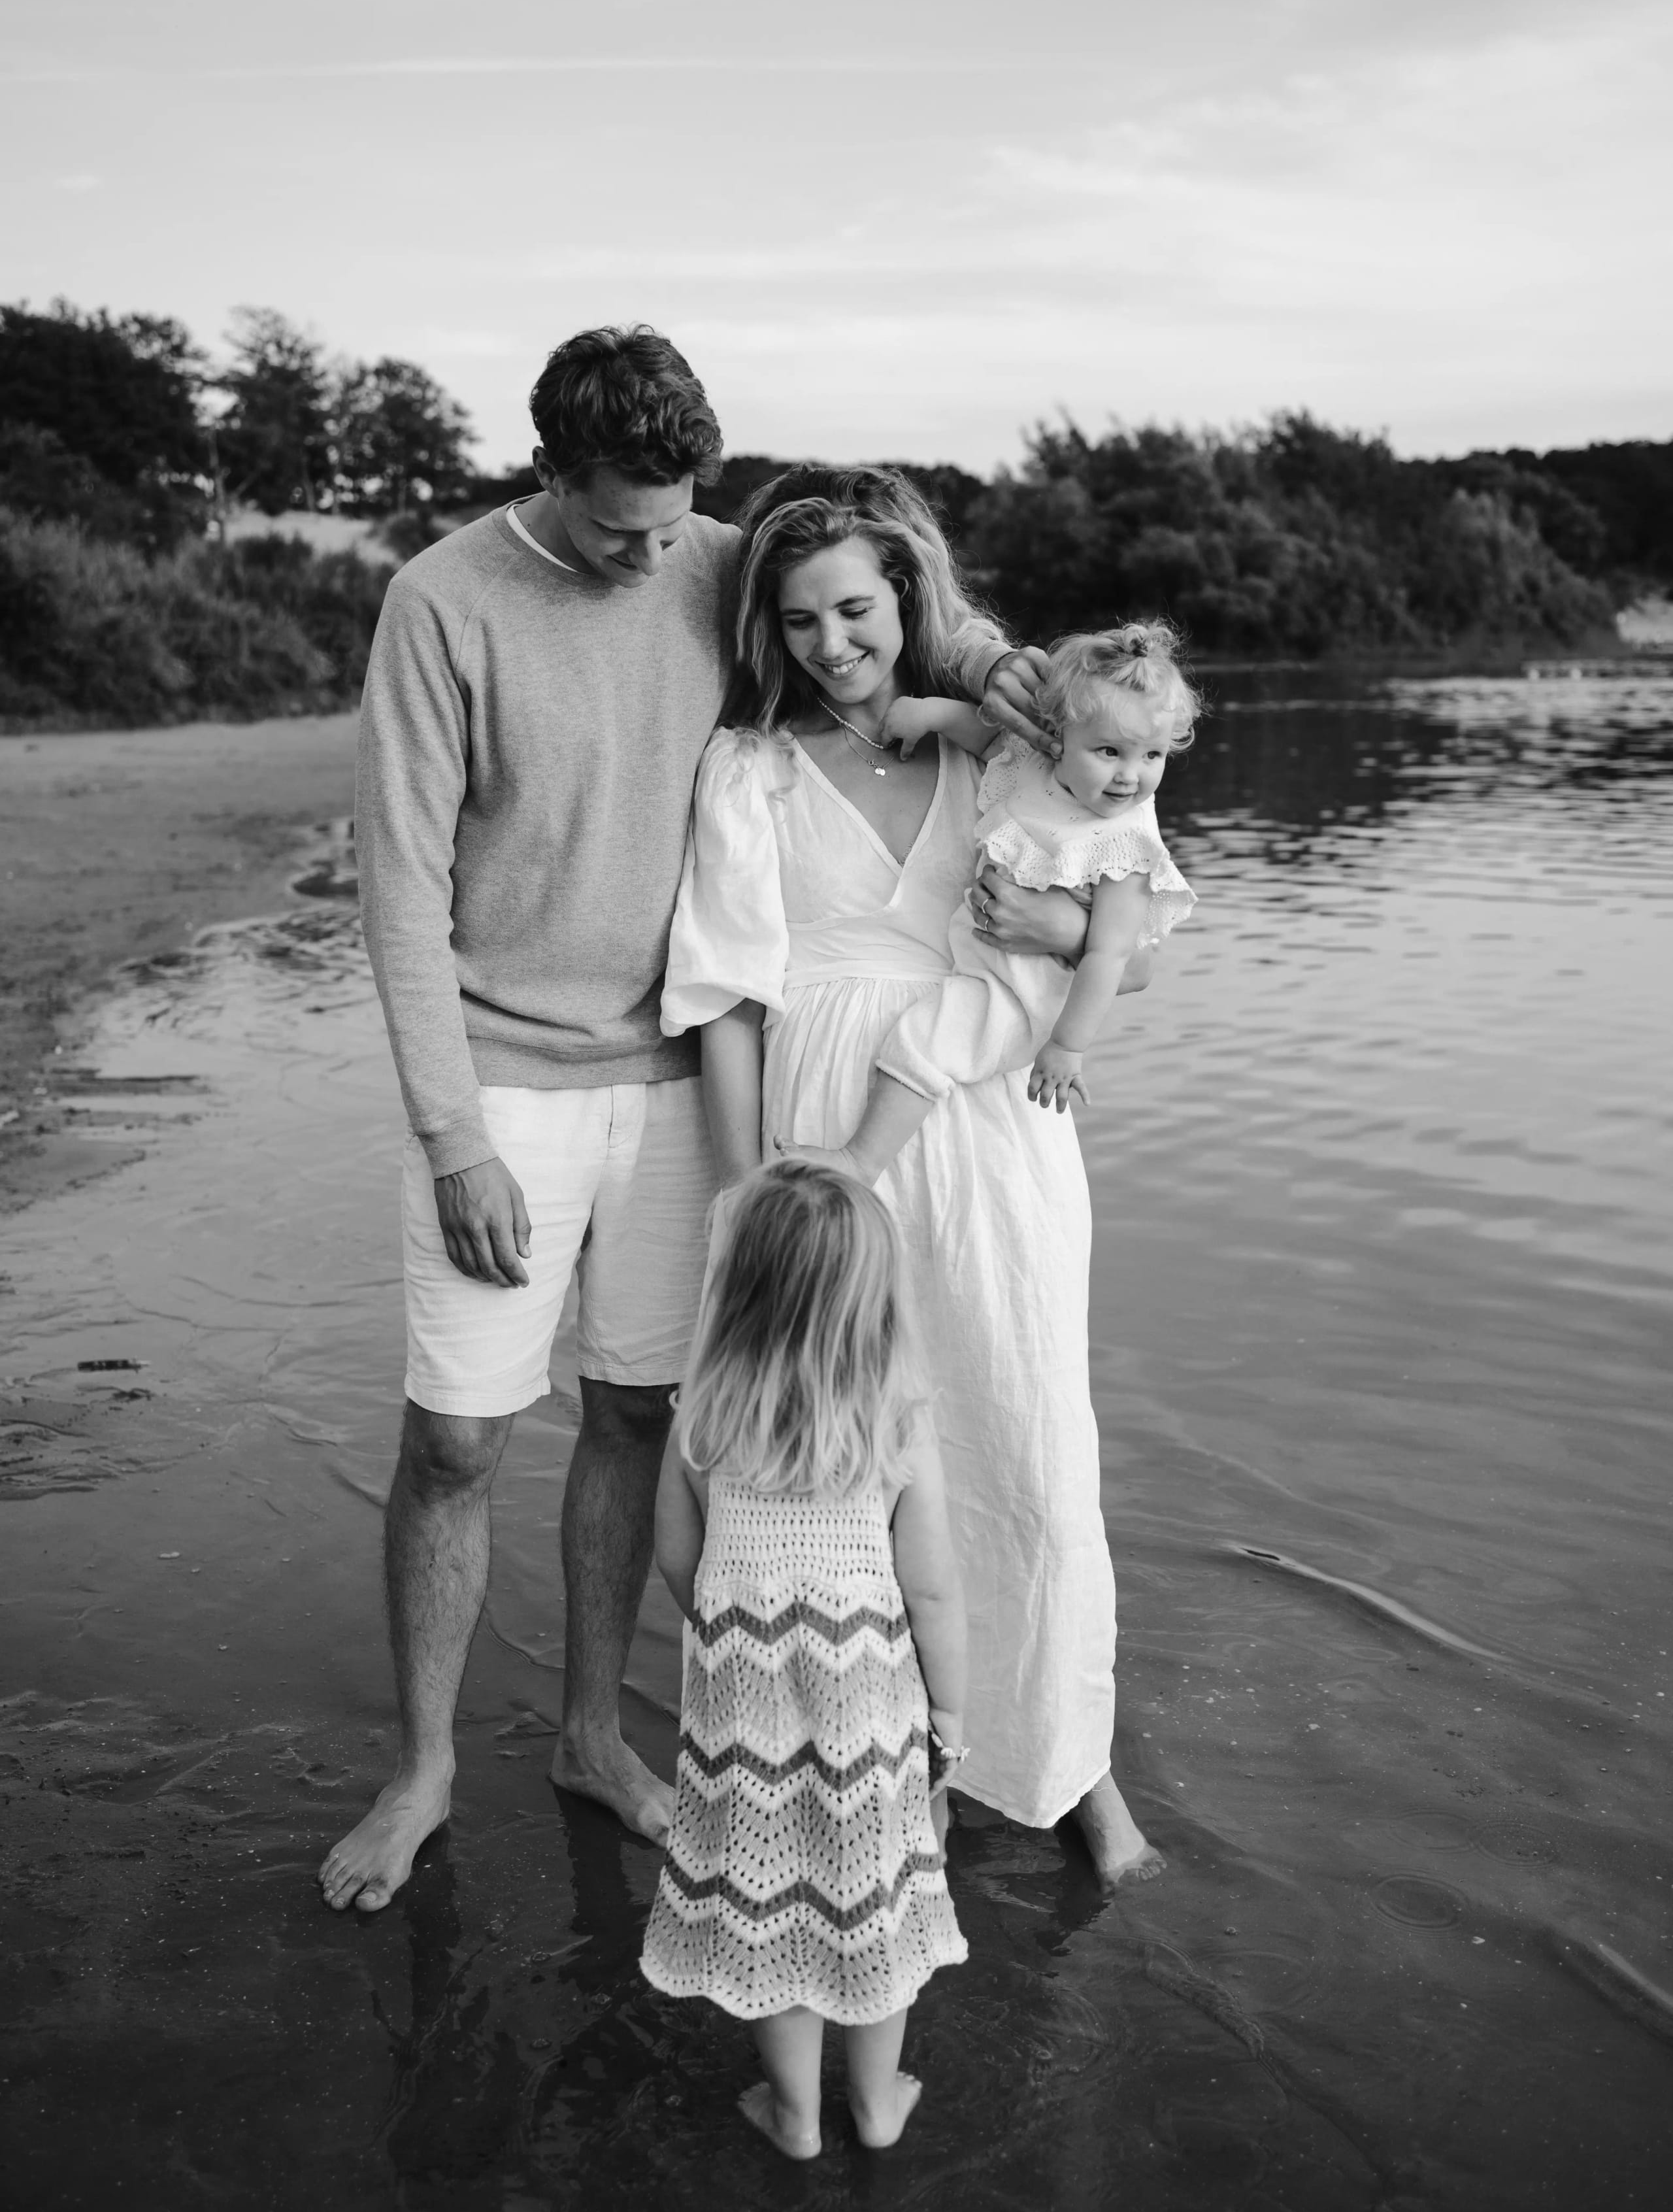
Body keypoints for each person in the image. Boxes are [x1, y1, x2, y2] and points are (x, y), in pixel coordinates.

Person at [318, 333, 1049, 1914]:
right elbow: (398, 886)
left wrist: (996, 668)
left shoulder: (717, 558)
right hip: (502, 1076)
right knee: (454, 1436)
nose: (653, 556)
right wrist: (451, 1136)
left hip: (667, 1073)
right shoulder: (441, 600)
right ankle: (424, 1768)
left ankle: (590, 1734)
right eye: (617, 528)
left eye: (671, 524)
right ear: (550, 473)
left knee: (637, 1415)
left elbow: (892, 601)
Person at [661, 474, 1165, 1887]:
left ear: (906, 597)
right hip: (829, 1130)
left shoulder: (1013, 749)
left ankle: (1068, 1763)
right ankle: (907, 1767)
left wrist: (1053, 926)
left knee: (1028, 1441)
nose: (832, 645)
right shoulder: (750, 769)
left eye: (856, 610)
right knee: (856, 1464)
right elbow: (723, 999)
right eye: (799, 620)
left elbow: (1130, 942)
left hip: (995, 1126)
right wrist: (748, 1198)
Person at [642, 1160, 967, 2160]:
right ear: (876, 1298)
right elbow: (934, 1592)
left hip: (743, 1727)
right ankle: (875, 2107)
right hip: (868, 1729)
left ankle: (796, 2117)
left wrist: (729, 1637)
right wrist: (951, 1715)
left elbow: (676, 1557)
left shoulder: (704, 1414)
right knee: (872, 1909)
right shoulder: (896, 1423)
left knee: (768, 1907)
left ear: (740, 1286)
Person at [795, 620, 1198, 1181]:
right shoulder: (1036, 766)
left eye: (1152, 755)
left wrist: (1067, 1046)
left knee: (922, 1043)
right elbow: (985, 738)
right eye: (1110, 751)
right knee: (928, 1039)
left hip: (1024, 995)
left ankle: (860, 1161)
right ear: (1057, 736)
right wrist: (930, 714)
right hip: (985, 964)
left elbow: (1110, 957)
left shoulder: (1125, 846)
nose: (1130, 777)